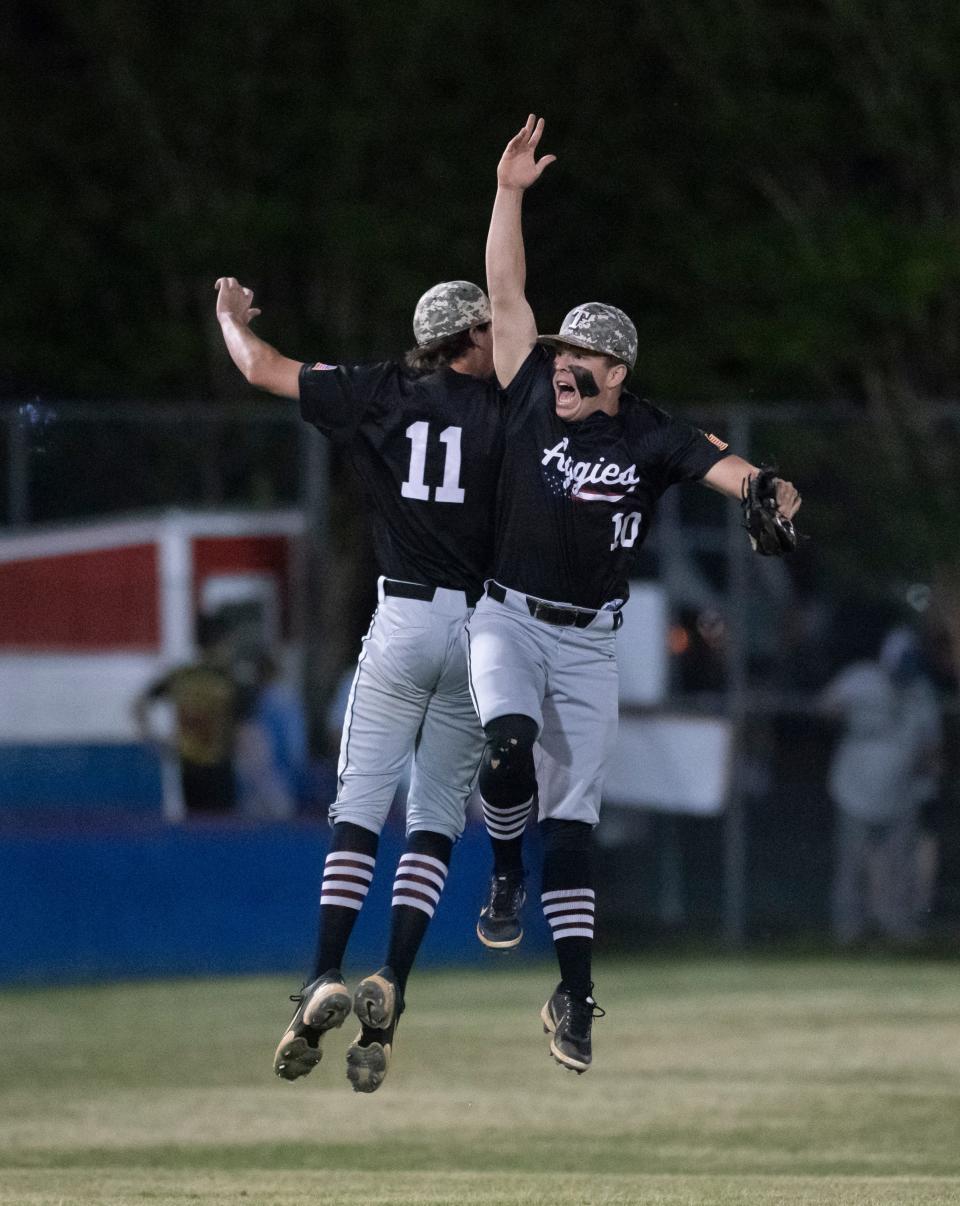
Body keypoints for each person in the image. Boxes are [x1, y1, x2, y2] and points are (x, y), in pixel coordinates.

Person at [469, 115, 802, 1074]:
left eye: (583, 357)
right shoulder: (531, 384)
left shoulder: (649, 432)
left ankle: (573, 999)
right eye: (561, 346)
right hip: (508, 615)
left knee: (574, 822)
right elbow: (504, 290)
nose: (562, 360)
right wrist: (509, 193)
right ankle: (500, 873)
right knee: (507, 745)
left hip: (588, 642)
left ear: (617, 376)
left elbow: (740, 474)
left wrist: (774, 492)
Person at [216, 275, 503, 1092]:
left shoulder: (376, 390)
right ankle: (396, 981)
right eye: (489, 330)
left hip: (405, 618)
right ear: (470, 335)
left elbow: (261, 368)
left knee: (358, 806)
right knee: (437, 819)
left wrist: (229, 320)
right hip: (480, 631)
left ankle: (324, 973)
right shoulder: (508, 406)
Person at [821, 625, 942, 946]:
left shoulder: (921, 692)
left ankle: (896, 927)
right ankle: (848, 931)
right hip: (855, 789)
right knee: (853, 862)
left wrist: (928, 772)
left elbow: (931, 747)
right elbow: (827, 705)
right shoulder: (862, 678)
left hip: (901, 794)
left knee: (899, 865)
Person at [133, 615, 240, 815]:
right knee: (224, 833)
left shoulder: (182, 677)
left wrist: (151, 738)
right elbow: (245, 731)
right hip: (220, 769)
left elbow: (140, 704)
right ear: (223, 643)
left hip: (188, 769)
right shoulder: (228, 680)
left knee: (195, 830)